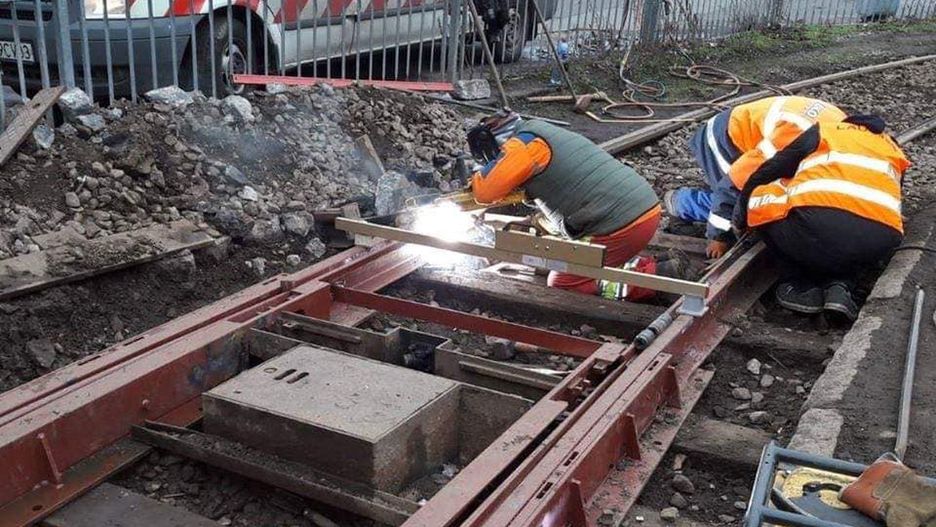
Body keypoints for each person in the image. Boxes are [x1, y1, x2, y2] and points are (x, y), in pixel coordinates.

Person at [467, 111, 684, 301]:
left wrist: (477, 178)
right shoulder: (538, 131)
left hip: (620, 225)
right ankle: (656, 265)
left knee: (563, 281)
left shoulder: (521, 147)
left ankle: (657, 278)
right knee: (572, 254)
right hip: (642, 210)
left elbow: (485, 192)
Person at [732, 116, 910, 320]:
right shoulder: (893, 147)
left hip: (817, 231)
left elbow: (768, 171)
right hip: (878, 243)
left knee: (764, 197)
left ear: (846, 123)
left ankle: (797, 285)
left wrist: (740, 219)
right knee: (853, 235)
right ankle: (842, 285)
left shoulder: (825, 130)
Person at [664, 96, 847, 258]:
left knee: (767, 203)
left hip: (757, 133)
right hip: (724, 140)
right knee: (745, 210)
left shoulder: (844, 139)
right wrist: (719, 236)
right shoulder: (789, 142)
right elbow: (733, 185)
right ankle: (681, 203)